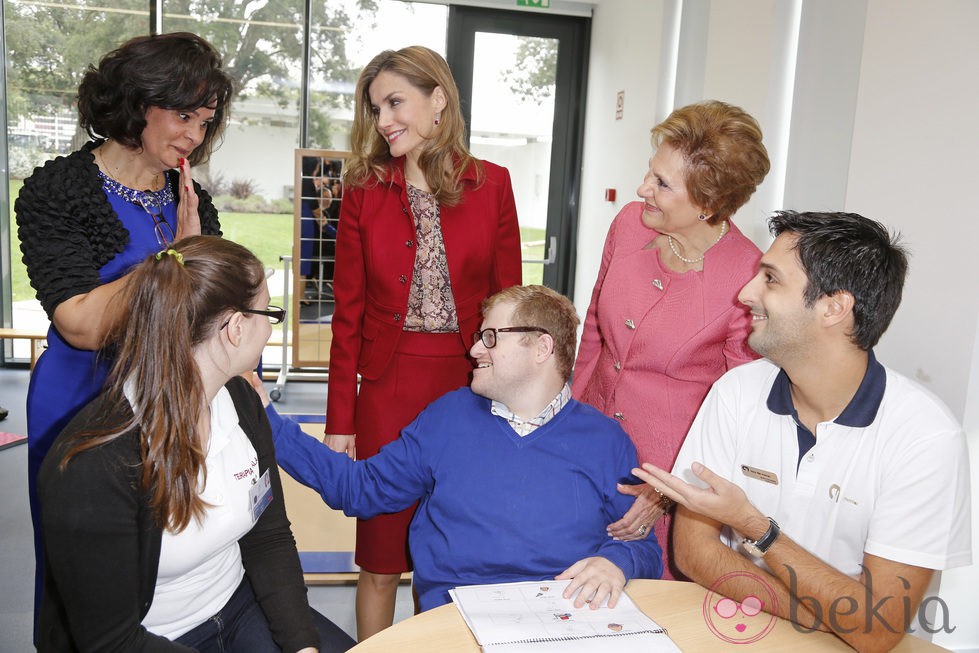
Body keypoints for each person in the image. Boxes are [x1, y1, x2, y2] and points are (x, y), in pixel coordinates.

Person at [636, 212, 972, 652]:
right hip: (743, 630)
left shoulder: (925, 436)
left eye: (770, 280)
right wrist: (829, 614)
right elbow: (693, 550)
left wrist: (755, 526)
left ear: (834, 307)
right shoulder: (735, 392)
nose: (745, 294)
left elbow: (877, 629)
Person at [37, 236, 355, 652]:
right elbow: (111, 642)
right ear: (236, 328)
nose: (270, 330)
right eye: (270, 315)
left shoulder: (242, 403)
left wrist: (302, 646)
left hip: (239, 606)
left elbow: (268, 537)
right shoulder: (93, 465)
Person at [264, 285, 662, 613]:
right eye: (478, 337)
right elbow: (358, 489)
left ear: (542, 348)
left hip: (563, 619)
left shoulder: (606, 441)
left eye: (490, 337)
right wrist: (267, 420)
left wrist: (617, 562)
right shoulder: (448, 418)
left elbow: (642, 545)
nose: (474, 350)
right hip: (458, 617)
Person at [15, 31, 231, 620]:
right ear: (138, 104)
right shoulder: (57, 189)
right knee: (85, 565)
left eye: (206, 121)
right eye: (183, 115)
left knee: (164, 555)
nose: (195, 136)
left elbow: (206, 312)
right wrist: (177, 259)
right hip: (82, 397)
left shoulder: (191, 199)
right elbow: (81, 323)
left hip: (166, 396)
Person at [325, 45, 522, 638]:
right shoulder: (364, 189)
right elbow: (347, 316)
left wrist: (514, 405)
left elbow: (507, 309)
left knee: (451, 557)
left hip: (469, 392)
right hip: (386, 392)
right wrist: (340, 421)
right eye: (375, 107)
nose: (383, 120)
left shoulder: (493, 185)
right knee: (382, 558)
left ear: (439, 99)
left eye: (395, 102)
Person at [572, 100, 770, 577]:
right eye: (650, 173)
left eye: (661, 184)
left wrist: (666, 491)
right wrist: (565, 421)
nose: (643, 189)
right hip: (590, 446)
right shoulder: (628, 224)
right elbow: (595, 329)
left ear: (707, 204)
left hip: (671, 473)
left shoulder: (748, 276)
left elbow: (739, 410)